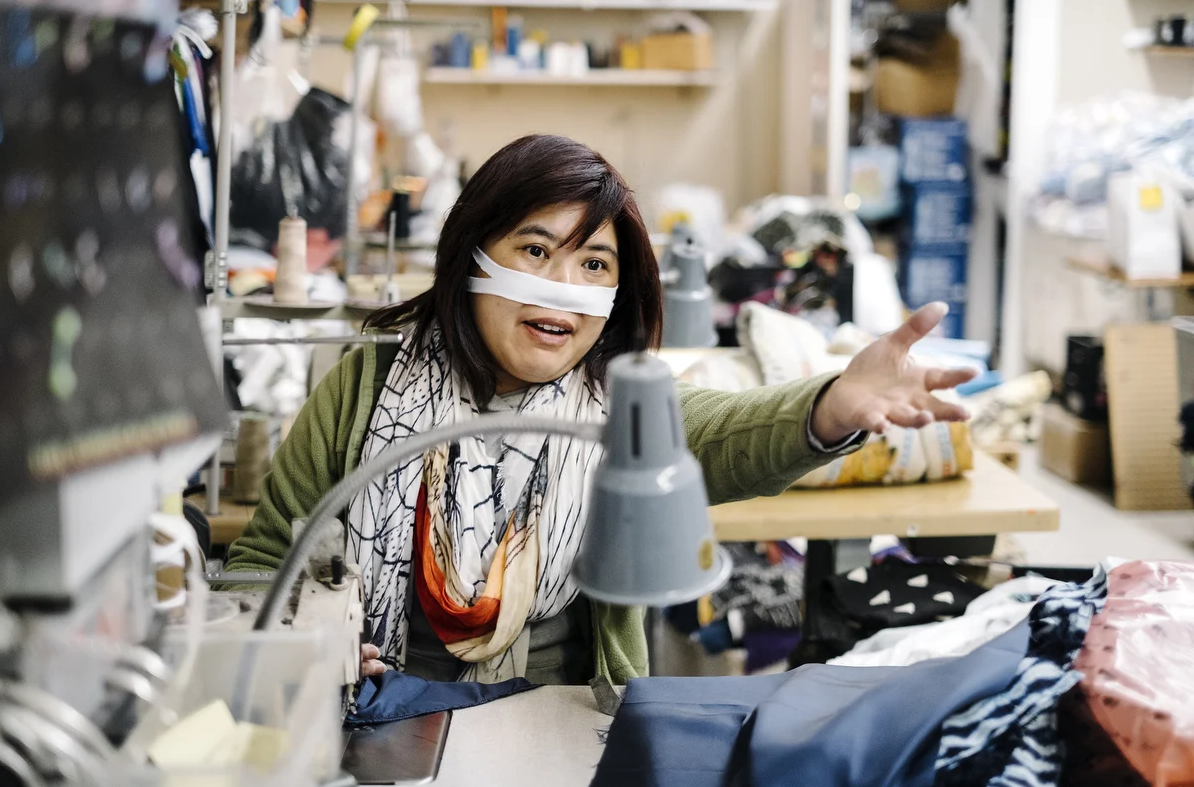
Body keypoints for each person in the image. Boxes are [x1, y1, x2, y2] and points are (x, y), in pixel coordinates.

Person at [225, 134, 974, 686]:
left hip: (551, 719)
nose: (564, 286)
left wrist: (832, 403)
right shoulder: (363, 393)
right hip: (370, 709)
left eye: (594, 264)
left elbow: (729, 432)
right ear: (472, 256)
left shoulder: (613, 405)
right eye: (536, 250)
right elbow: (260, 566)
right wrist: (307, 641)